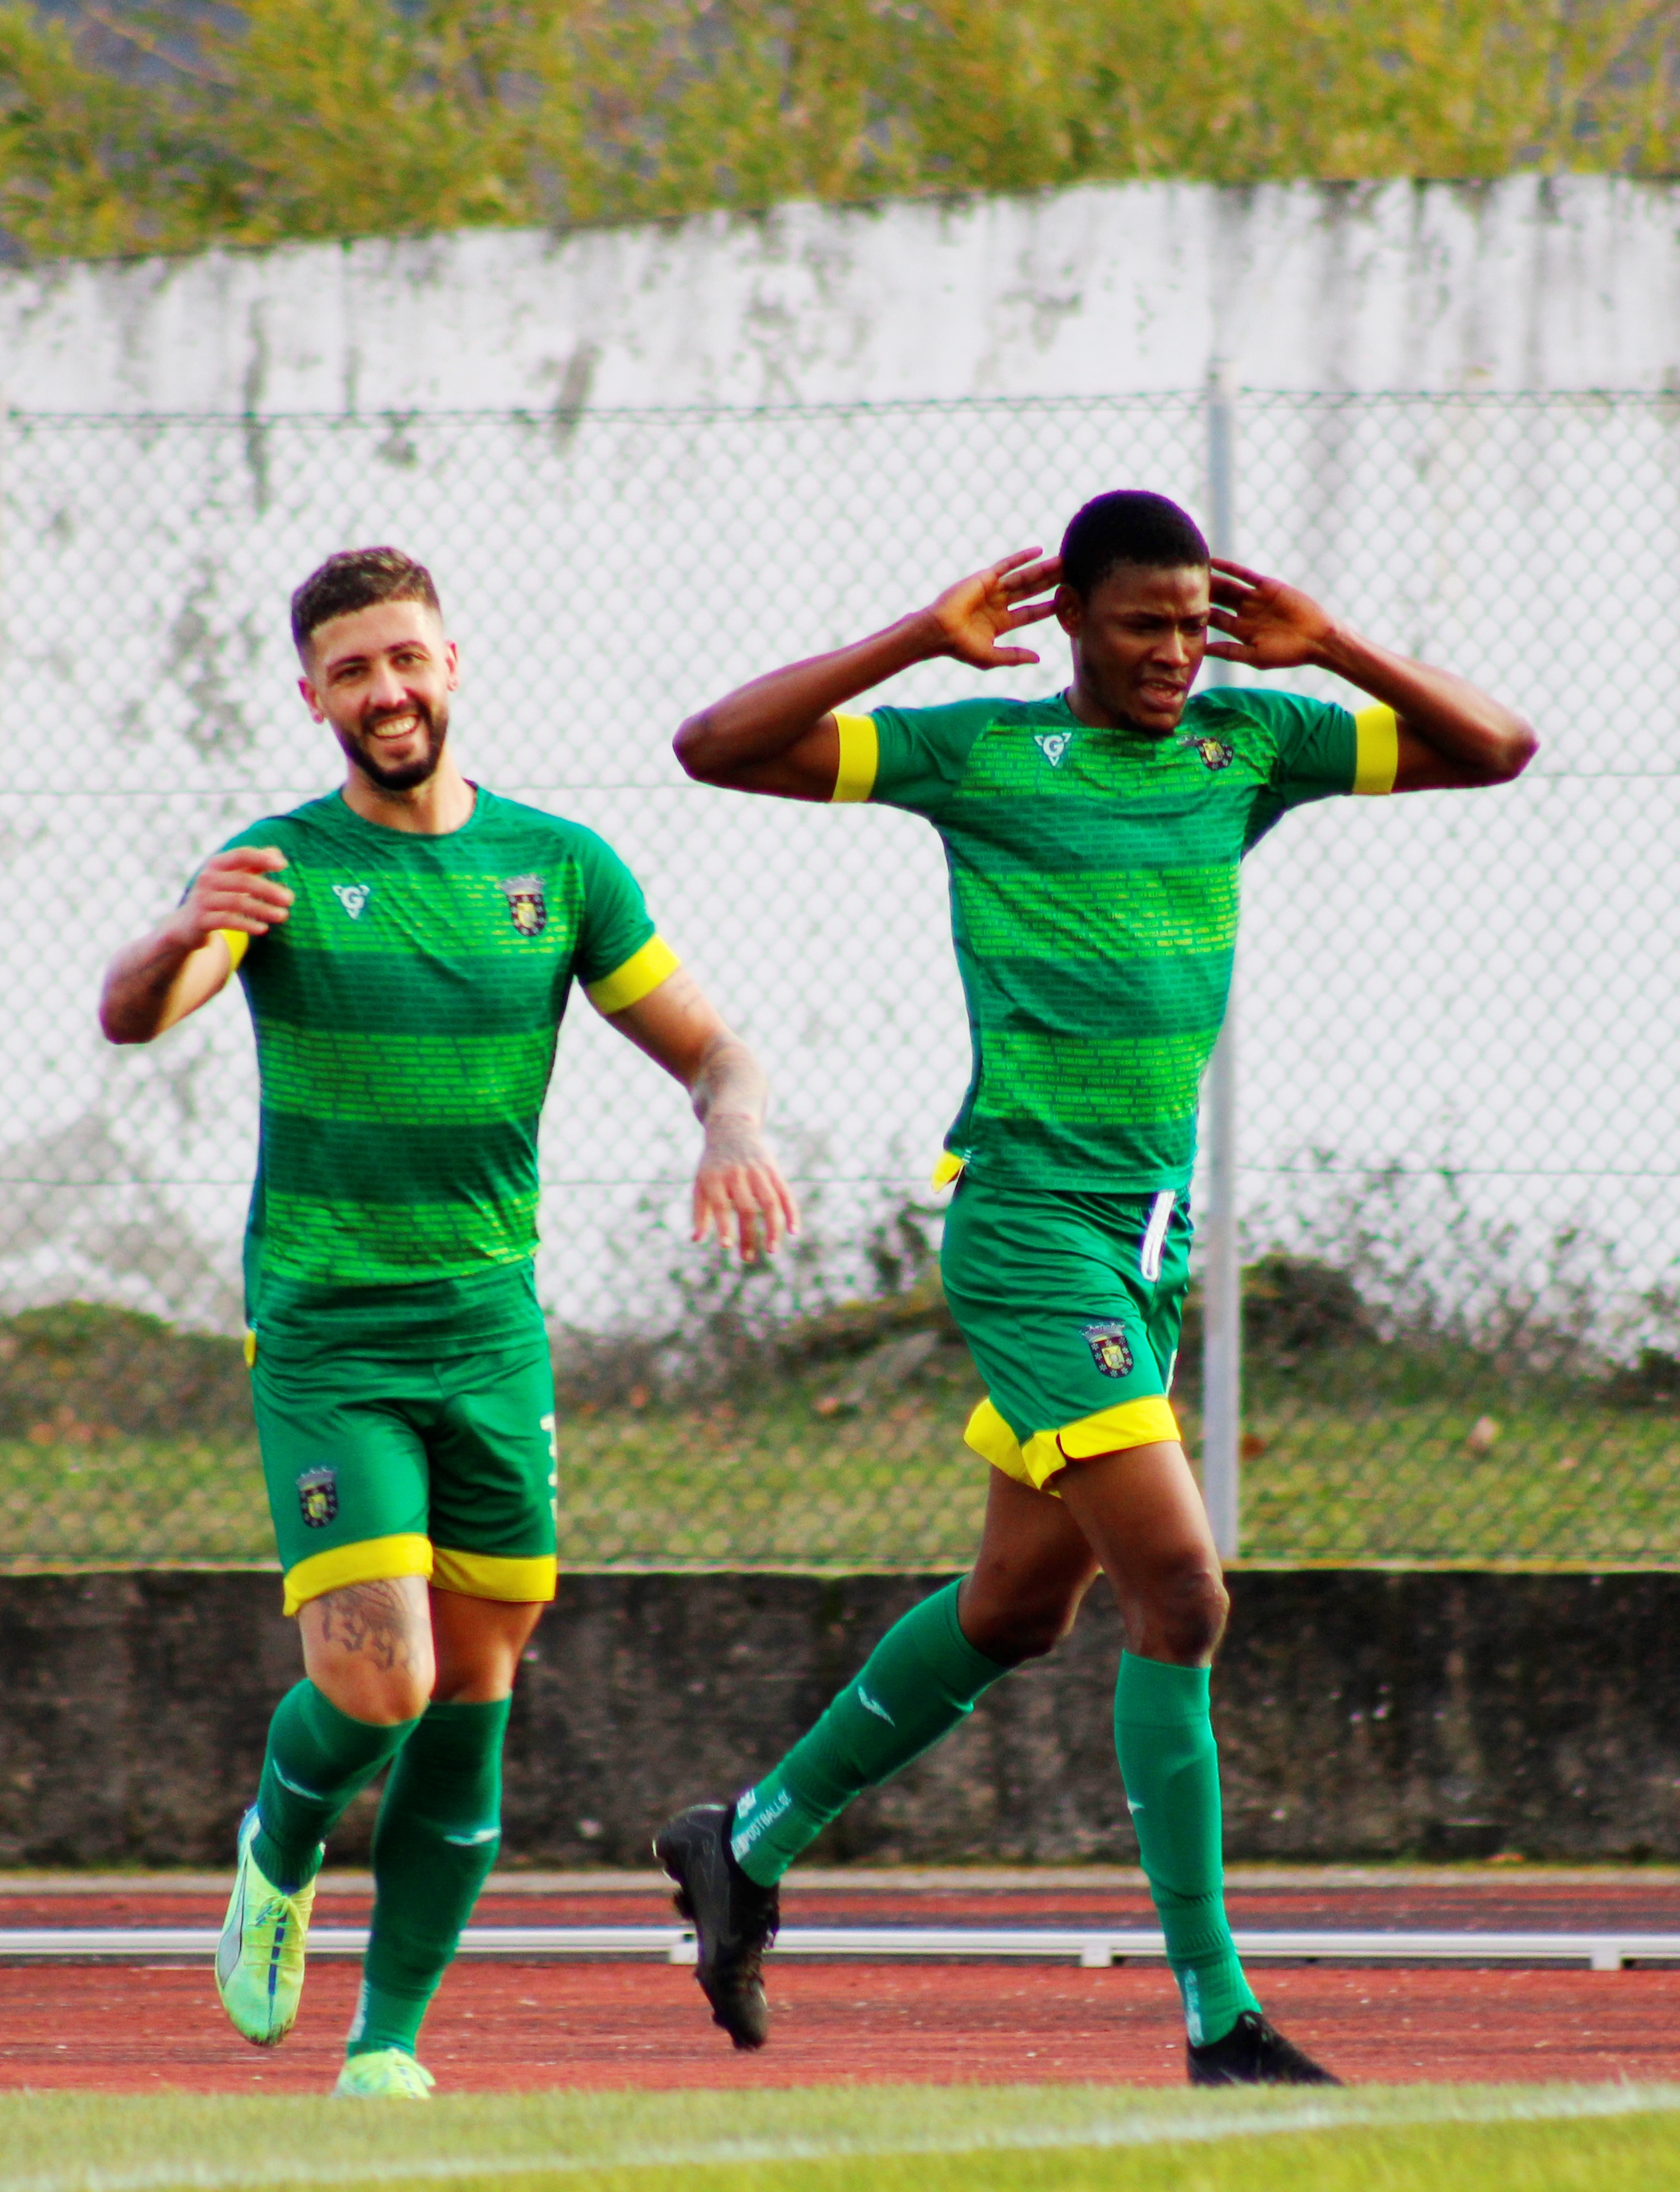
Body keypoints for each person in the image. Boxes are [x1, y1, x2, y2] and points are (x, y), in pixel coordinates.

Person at [655, 489, 1536, 2083]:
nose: (1175, 655)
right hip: (1029, 1233)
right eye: (1142, 624)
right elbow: (716, 745)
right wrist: (918, 639)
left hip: (1144, 1257)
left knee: (1012, 1609)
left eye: (1195, 625)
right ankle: (1217, 2018)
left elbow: (1498, 749)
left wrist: (1332, 644)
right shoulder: (981, 754)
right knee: (1184, 1594)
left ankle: (749, 1837)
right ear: (1067, 618)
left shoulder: (1248, 746)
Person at [99, 545, 796, 2098]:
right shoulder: (272, 870)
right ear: (312, 697)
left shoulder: (561, 866)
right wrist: (172, 932)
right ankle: (279, 1836)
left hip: (491, 1338)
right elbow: (139, 1010)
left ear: (452, 663)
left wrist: (732, 1121)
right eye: (351, 670)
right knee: (380, 1681)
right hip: (335, 1335)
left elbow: (710, 1047)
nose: (386, 691)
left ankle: (389, 2045)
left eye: (404, 658)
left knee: (476, 1693)